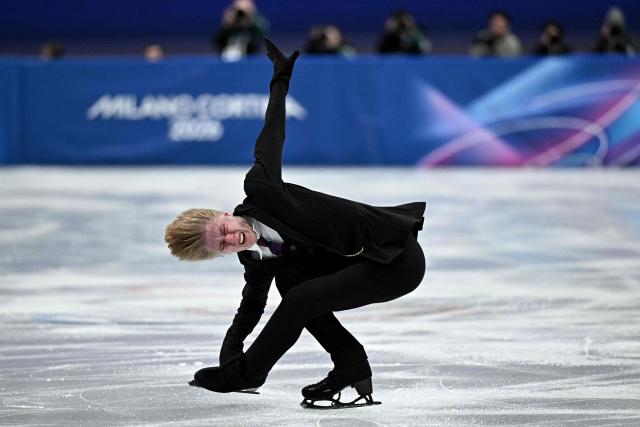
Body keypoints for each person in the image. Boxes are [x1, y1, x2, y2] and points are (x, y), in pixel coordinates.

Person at [164, 38, 426, 408]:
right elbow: (250, 307)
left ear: (224, 214)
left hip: (395, 258)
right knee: (291, 282)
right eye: (222, 245)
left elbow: (272, 136)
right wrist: (229, 350)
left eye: (223, 230)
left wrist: (280, 80)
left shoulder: (263, 190)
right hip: (364, 263)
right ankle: (350, 365)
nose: (232, 238)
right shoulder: (255, 259)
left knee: (301, 295)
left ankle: (248, 375)